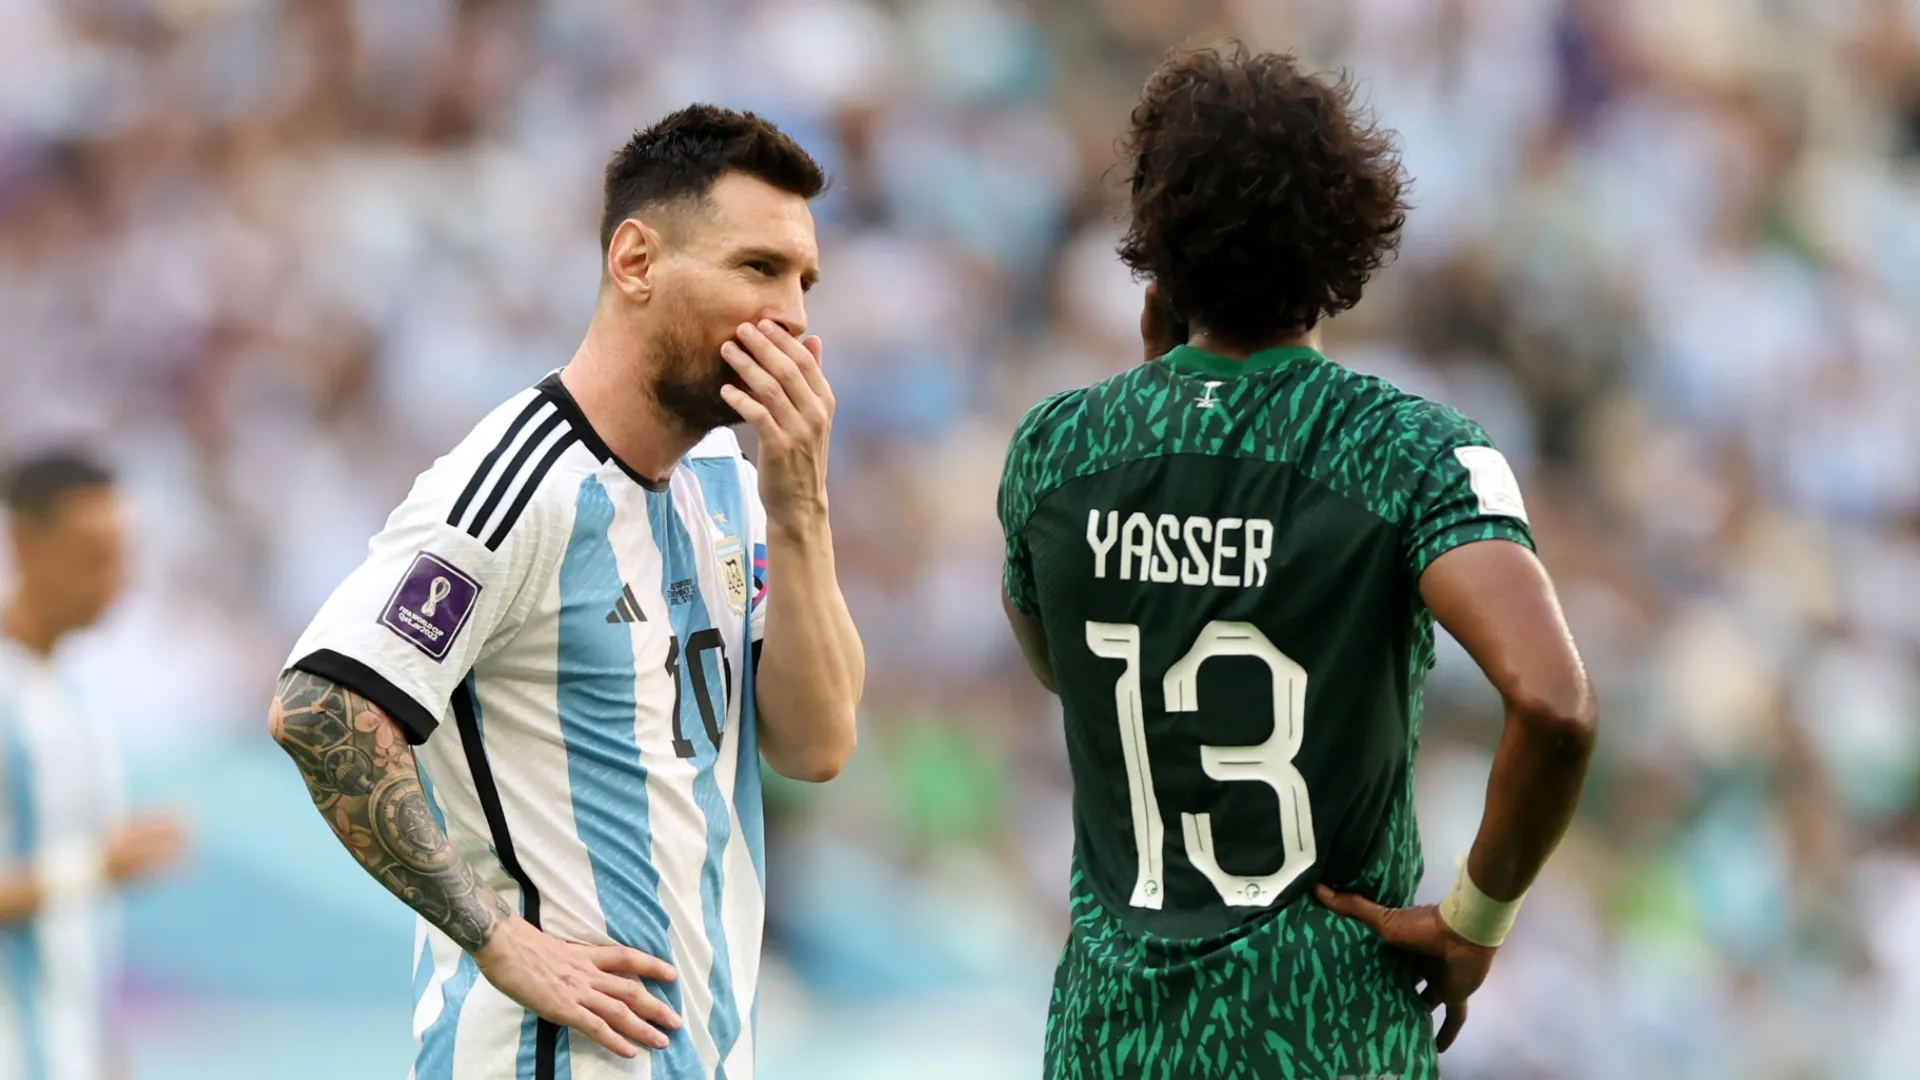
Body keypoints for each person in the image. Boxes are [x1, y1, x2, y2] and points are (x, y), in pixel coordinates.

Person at [997, 44, 1598, 1079]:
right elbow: (1555, 704)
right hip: (1321, 1034)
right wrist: (1475, 919)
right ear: (1346, 235)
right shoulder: (1407, 449)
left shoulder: (1058, 446)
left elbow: (1070, 666)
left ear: (1154, 241)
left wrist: (1165, 407)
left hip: (1111, 1042)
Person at [269, 105, 864, 1080]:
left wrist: (799, 508)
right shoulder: (519, 486)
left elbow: (817, 744)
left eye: (805, 280)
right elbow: (320, 706)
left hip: (698, 1055)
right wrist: (501, 940)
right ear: (635, 262)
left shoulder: (727, 477)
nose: (795, 314)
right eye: (758, 268)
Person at [0, 451, 190, 1080]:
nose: (116, 579)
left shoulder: (80, 692)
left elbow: (80, 936)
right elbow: (86, 873)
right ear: (24, 543)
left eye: (122, 555)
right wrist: (98, 867)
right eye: (93, 556)